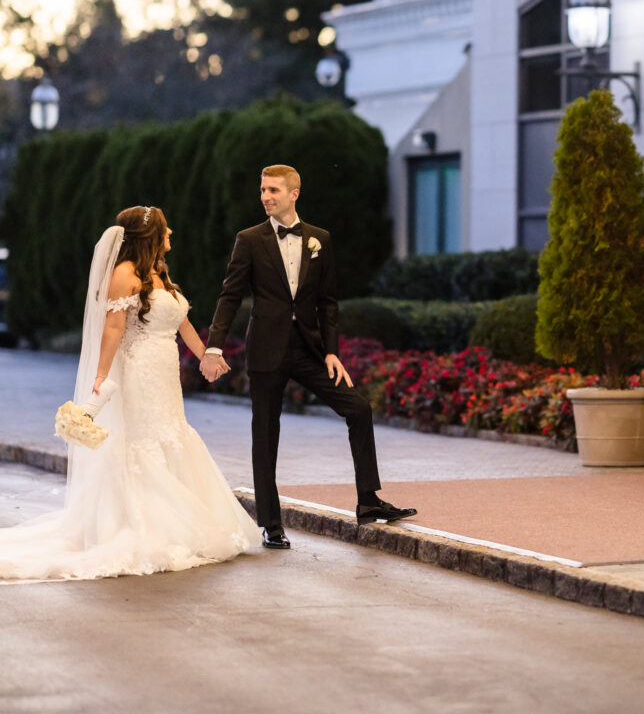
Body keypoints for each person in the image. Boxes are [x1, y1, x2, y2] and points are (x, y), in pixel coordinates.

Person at [0, 206, 258, 581]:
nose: (171, 237)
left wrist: (207, 357)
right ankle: (142, 524)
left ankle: (177, 522)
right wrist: (101, 375)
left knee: (171, 433)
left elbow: (182, 322)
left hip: (165, 371)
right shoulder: (124, 274)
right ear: (150, 236)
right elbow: (113, 328)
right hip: (138, 370)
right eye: (167, 232)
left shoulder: (159, 273)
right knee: (143, 440)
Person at [201, 164, 416, 549]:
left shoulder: (320, 239)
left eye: (273, 190)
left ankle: (368, 501)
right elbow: (230, 295)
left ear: (294, 193)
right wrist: (214, 345)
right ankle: (271, 523)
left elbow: (328, 302)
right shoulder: (249, 239)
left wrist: (332, 352)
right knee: (265, 434)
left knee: (358, 408)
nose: (266, 196)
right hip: (267, 349)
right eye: (262, 190)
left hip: (309, 349)